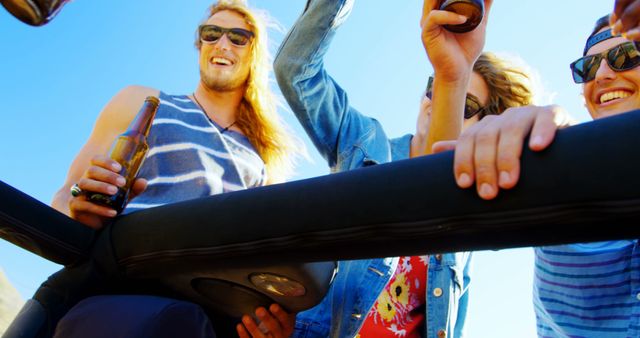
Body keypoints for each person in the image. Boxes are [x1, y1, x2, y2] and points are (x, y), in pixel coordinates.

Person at [274, 0, 533, 337]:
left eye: (464, 103)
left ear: (488, 125)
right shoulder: (363, 145)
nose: (437, 97)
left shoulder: (475, 202)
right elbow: (296, 71)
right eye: (433, 85)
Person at [50, 1, 298, 337]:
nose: (222, 44)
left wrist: (269, 320)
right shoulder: (142, 101)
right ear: (200, 46)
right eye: (212, 33)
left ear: (254, 52)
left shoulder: (263, 159)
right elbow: (66, 195)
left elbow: (263, 260)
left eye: (239, 37)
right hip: (123, 286)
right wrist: (81, 209)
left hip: (211, 312)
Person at [440, 13, 640, 337]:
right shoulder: (549, 173)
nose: (602, 74)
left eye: (627, 56)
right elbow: (440, 207)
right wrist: (452, 78)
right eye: (587, 68)